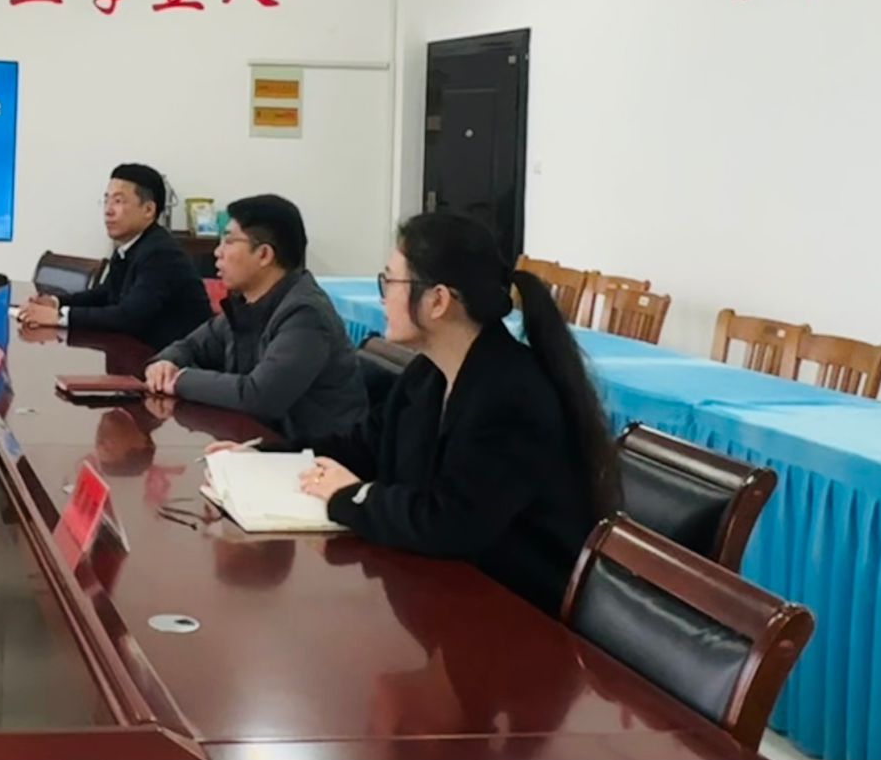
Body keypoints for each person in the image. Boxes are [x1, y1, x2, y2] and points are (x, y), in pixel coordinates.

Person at [215, 213, 621, 617]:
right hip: (445, 587)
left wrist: (351, 496)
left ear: (438, 300)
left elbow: (452, 523)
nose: (382, 297)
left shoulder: (511, 393)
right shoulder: (427, 374)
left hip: (513, 611)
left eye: (390, 282)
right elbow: (365, 444)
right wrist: (264, 456)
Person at [144, 195, 366, 443]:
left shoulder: (305, 314)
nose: (217, 252)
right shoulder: (247, 303)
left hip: (317, 455)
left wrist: (180, 380)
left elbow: (259, 396)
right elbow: (191, 346)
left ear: (263, 254)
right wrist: (165, 363)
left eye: (229, 241)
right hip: (262, 444)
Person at [18, 164, 210, 348]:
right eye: (107, 200)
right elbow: (105, 294)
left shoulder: (161, 253)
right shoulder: (130, 246)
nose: (108, 211)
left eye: (118, 201)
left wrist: (59, 317)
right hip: (141, 353)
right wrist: (56, 302)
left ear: (148, 210)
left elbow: (130, 317)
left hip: (177, 361)